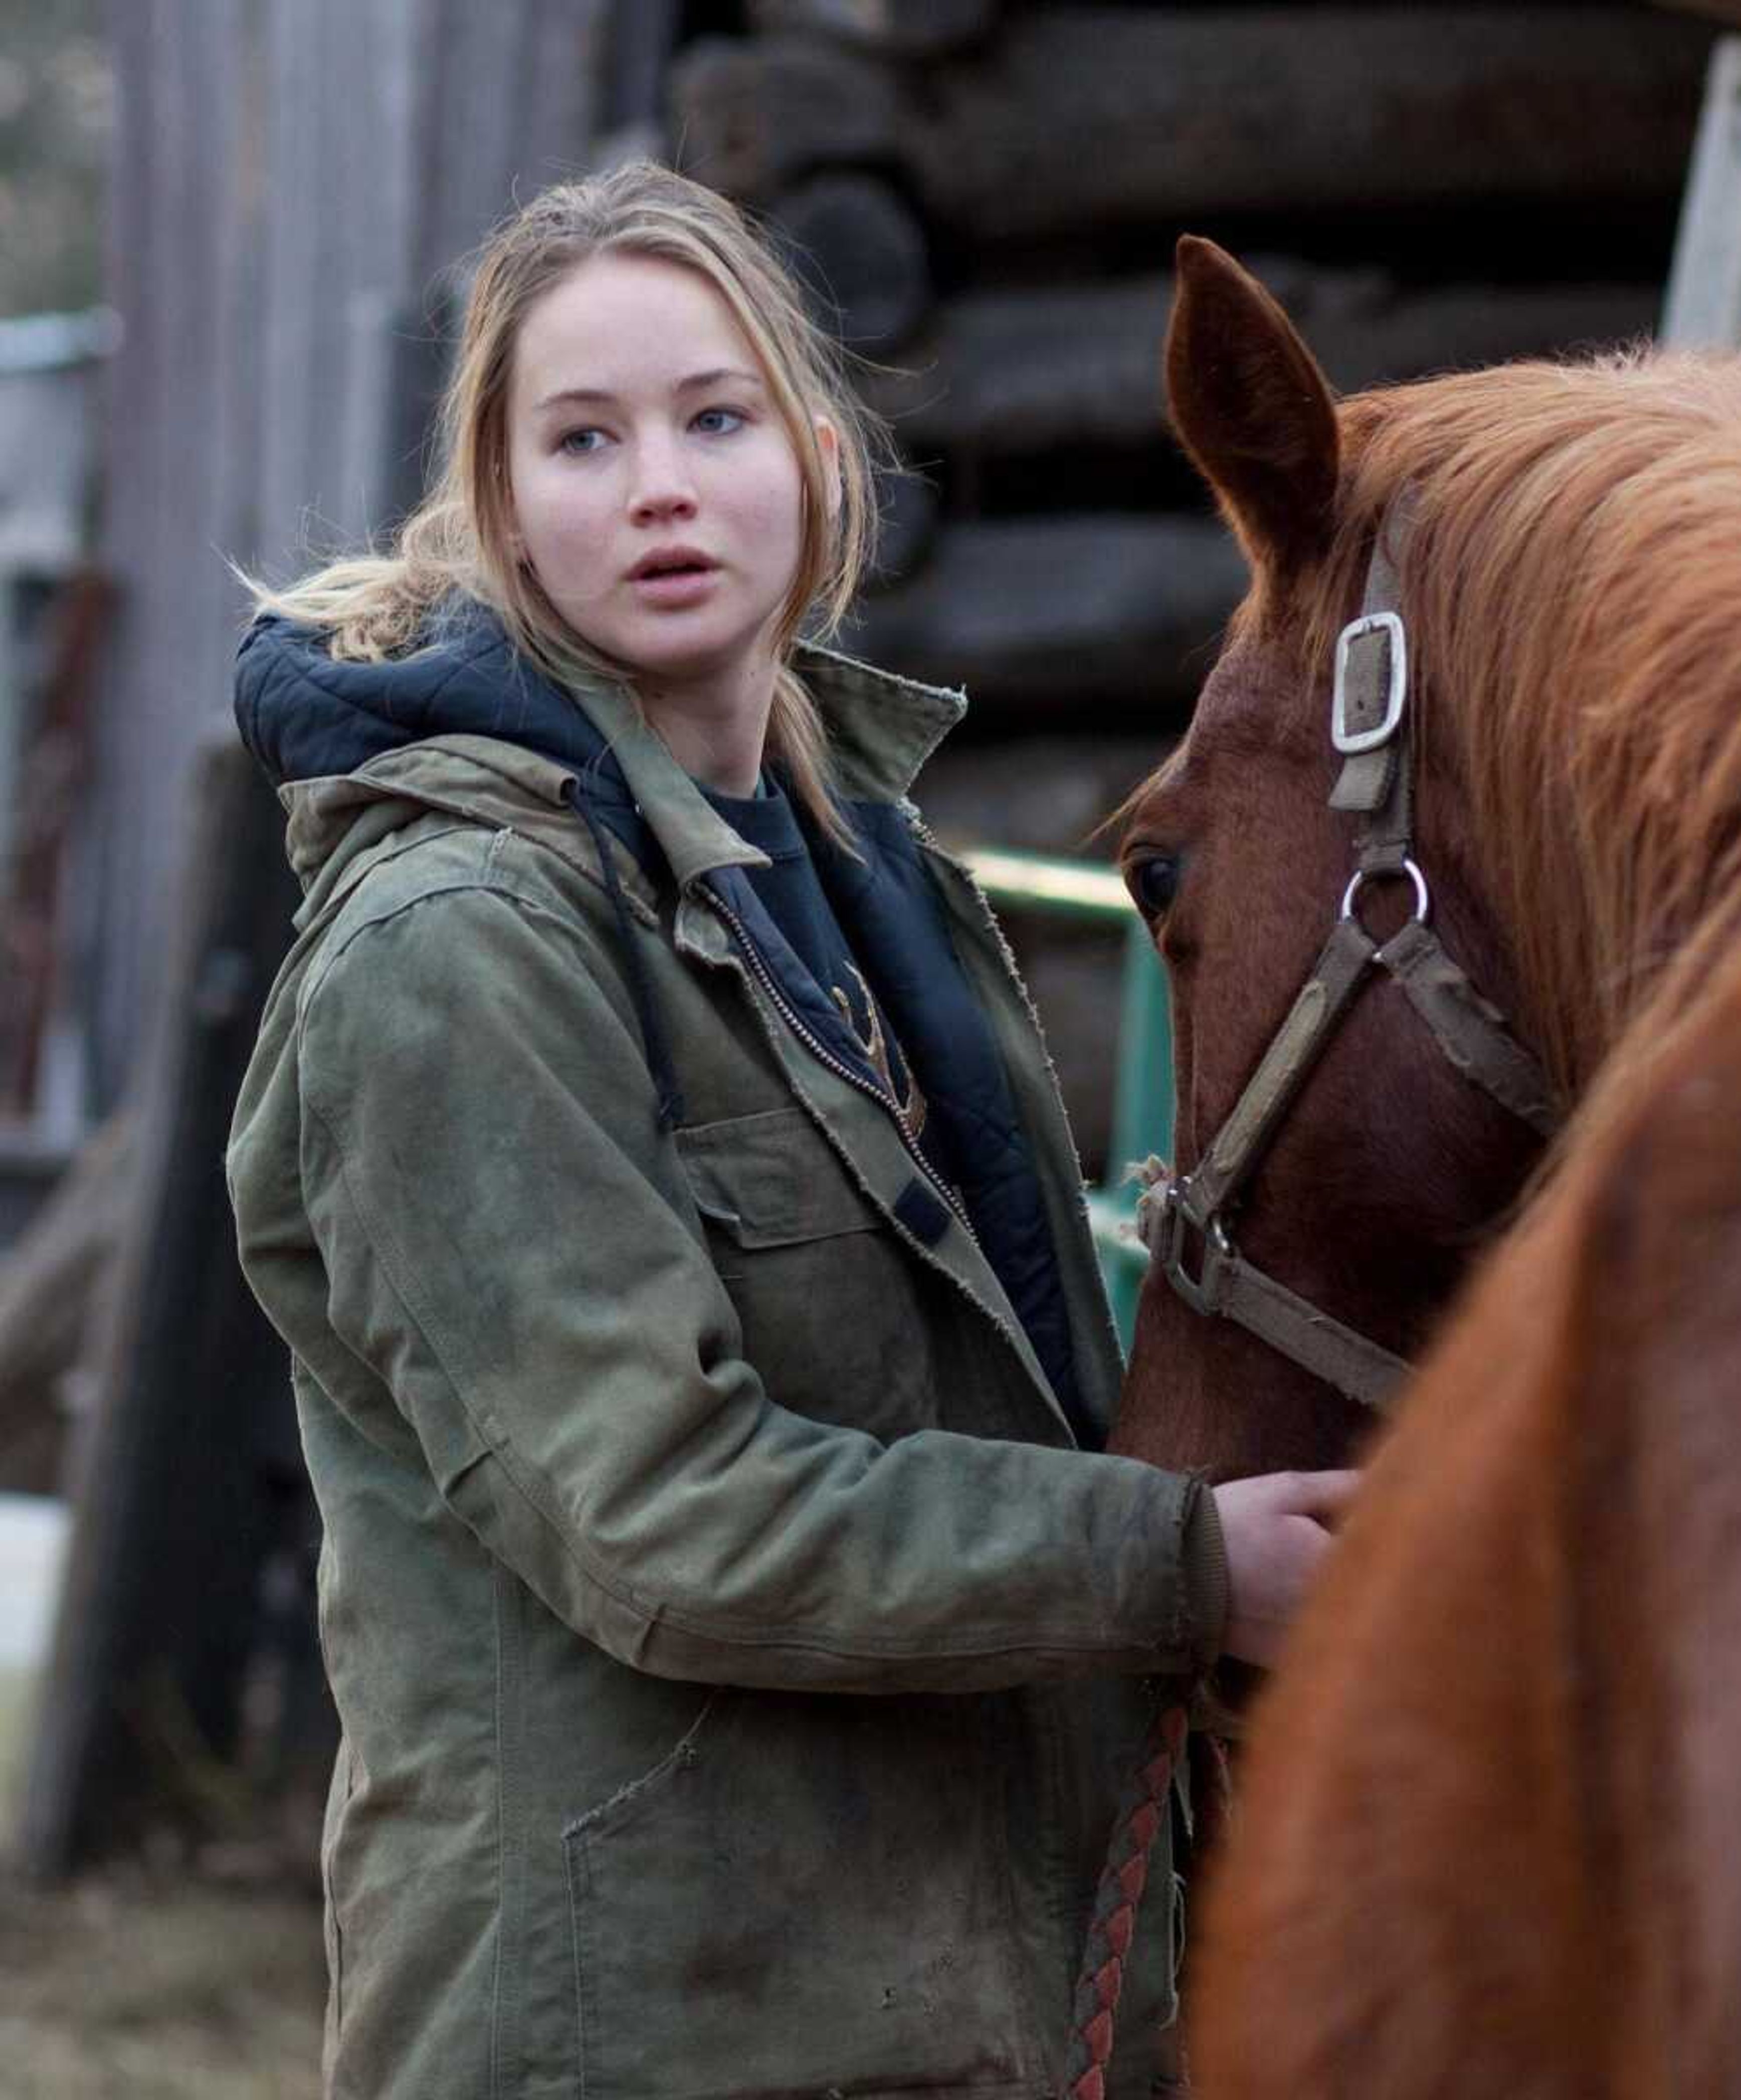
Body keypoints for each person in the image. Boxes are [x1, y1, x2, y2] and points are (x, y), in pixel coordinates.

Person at [226, 160, 1354, 2100]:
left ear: (820, 467)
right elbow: (664, 1519)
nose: (658, 483)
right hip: (650, 2034)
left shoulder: (867, 878)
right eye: (583, 440)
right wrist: (1176, 1565)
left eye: (713, 418)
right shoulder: (461, 946)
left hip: (955, 2006)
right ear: (499, 512)